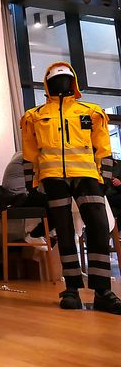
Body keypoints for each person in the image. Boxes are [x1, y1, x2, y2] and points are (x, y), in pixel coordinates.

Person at [20, 62, 121, 314]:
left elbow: (103, 148)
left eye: (66, 79)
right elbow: (30, 154)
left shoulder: (92, 112)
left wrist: (105, 179)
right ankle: (71, 289)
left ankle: (103, 291)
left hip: (87, 177)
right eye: (56, 80)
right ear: (47, 84)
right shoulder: (34, 116)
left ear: (73, 82)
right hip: (53, 179)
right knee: (64, 233)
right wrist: (32, 185)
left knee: (99, 228)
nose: (61, 83)